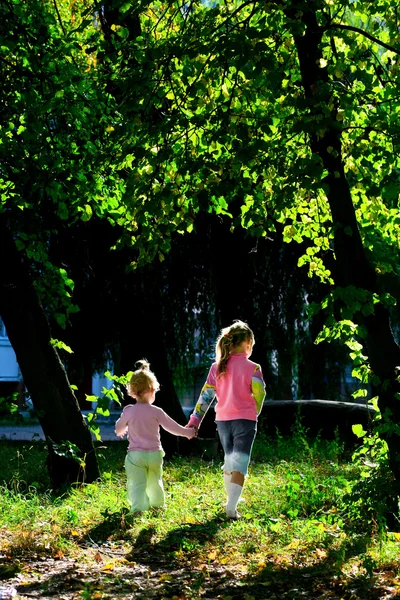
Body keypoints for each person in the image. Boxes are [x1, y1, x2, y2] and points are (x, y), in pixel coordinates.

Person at [187, 320, 266, 519]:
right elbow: (260, 393)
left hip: (222, 421)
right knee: (240, 463)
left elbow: (205, 397)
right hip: (245, 421)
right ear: (247, 342)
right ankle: (231, 507)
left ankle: (232, 498)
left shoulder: (217, 367)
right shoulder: (253, 368)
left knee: (229, 460)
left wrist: (194, 421)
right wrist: (254, 410)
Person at [115, 360, 196, 513]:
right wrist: (188, 433)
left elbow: (118, 428)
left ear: (132, 391)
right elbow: (173, 427)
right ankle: (157, 506)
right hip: (154, 455)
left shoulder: (129, 411)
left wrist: (121, 430)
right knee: (155, 482)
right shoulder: (156, 411)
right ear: (152, 390)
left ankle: (138, 509)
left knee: (137, 483)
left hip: (136, 455)